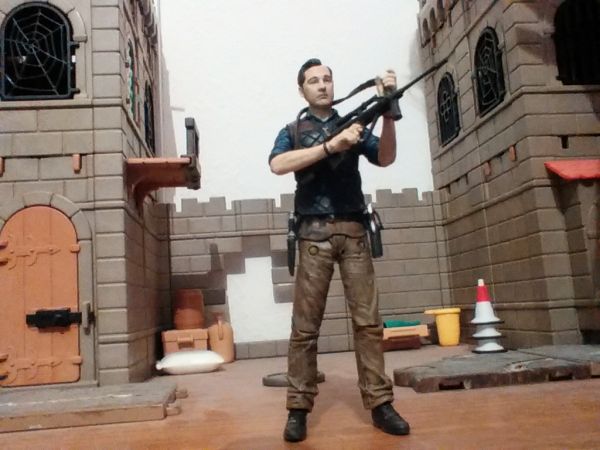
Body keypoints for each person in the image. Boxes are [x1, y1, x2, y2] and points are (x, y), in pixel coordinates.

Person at [269, 58, 410, 442]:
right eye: (313, 80)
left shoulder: (354, 123)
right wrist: (331, 145)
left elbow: (386, 157)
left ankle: (380, 403)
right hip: (313, 235)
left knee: (368, 323)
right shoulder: (293, 130)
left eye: (327, 79)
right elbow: (278, 164)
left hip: (353, 232)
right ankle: (298, 408)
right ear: (302, 90)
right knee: (305, 328)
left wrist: (388, 111)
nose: (322, 85)